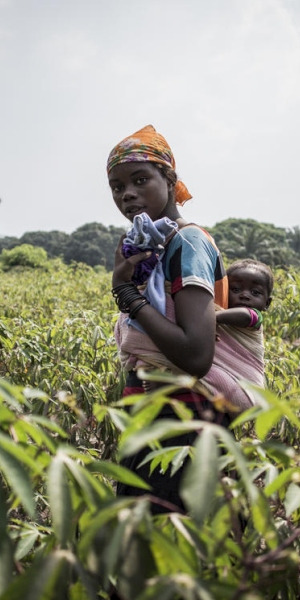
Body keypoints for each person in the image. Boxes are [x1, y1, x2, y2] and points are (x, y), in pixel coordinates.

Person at [108, 124, 255, 514]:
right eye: (117, 186)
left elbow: (195, 354)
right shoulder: (151, 246)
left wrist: (125, 295)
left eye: (141, 179)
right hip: (160, 415)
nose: (127, 194)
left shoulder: (186, 242)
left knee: (169, 550)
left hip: (184, 421)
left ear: (170, 180)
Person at [214, 258, 273, 388]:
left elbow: (245, 315)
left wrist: (213, 318)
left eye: (255, 292)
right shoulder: (220, 311)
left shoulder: (255, 318)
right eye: (235, 289)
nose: (244, 295)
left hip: (250, 390)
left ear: (267, 303)